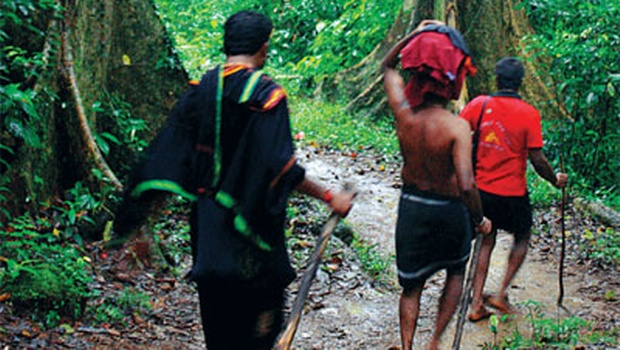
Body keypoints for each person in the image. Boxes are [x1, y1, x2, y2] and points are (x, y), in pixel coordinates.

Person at [110, 10, 354, 349]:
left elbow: (166, 157)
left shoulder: (200, 90)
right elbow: (280, 166)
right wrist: (330, 197)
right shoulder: (267, 96)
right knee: (258, 338)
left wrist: (140, 224)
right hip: (253, 245)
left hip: (208, 238)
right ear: (264, 47)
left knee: (220, 337)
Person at [382, 20, 492, 350]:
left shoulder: (404, 114)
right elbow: (466, 184)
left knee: (411, 287)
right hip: (449, 212)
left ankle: (407, 345)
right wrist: (479, 219)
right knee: (456, 274)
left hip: (413, 207)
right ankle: (434, 342)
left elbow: (387, 66)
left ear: (416, 78)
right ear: (452, 84)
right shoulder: (457, 127)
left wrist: (416, 34)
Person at [459, 57, 568, 322]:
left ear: (497, 79)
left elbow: (458, 133)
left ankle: (475, 304)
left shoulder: (478, 105)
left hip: (482, 191)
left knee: (487, 239)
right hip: (513, 193)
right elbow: (538, 160)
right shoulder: (529, 114)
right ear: (520, 83)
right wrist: (555, 180)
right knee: (522, 237)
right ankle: (500, 291)